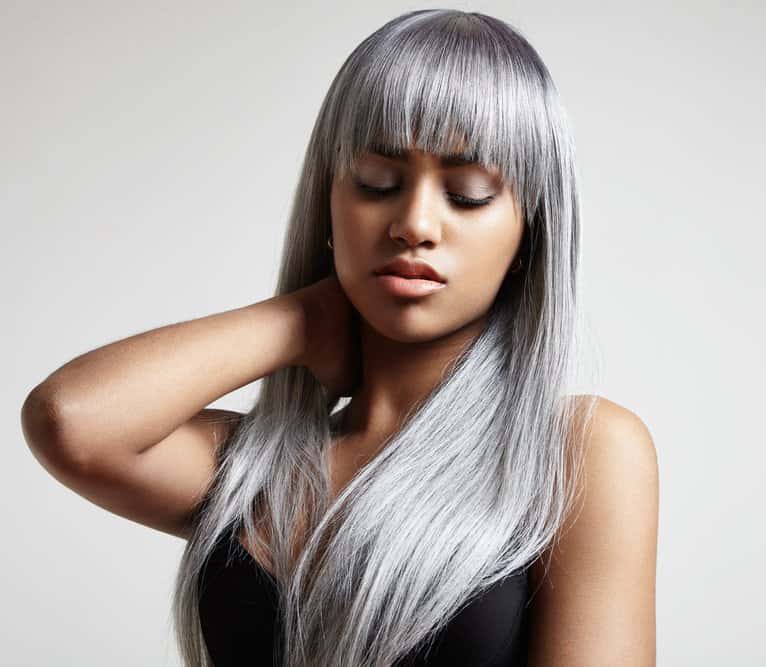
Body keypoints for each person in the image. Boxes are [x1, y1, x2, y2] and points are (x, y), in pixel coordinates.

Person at [21, 9, 658, 666]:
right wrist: (305, 319)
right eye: (378, 182)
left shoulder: (579, 452)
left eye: (467, 193)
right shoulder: (255, 471)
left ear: (530, 232)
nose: (414, 223)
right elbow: (70, 418)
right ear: (329, 204)